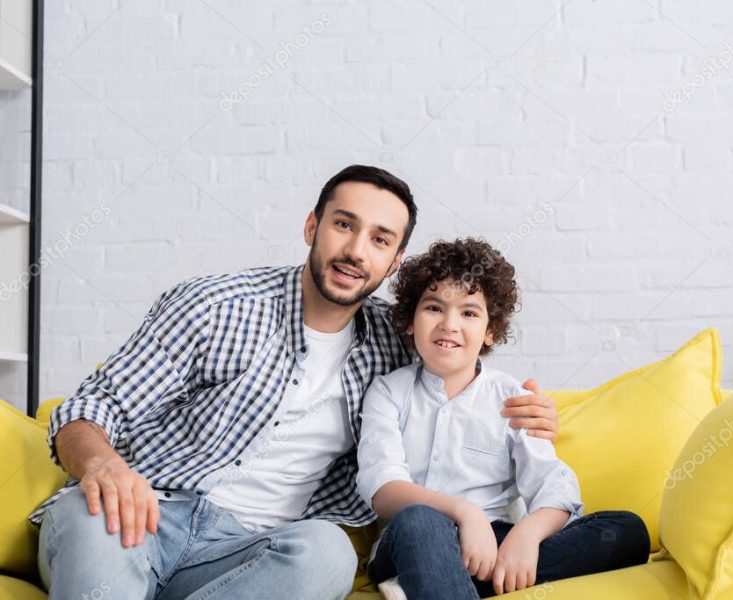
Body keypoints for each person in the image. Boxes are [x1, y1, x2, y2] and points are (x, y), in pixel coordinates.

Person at [32, 165, 561, 600]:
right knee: (90, 514)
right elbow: (91, 406)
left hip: (252, 554)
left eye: (379, 239)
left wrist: (531, 410)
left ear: (394, 262)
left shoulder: (397, 339)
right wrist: (102, 464)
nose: (356, 250)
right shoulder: (215, 306)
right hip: (142, 515)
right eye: (343, 225)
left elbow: (463, 363)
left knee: (326, 554)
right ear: (312, 227)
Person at [356, 238, 651, 600]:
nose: (450, 324)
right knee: (420, 520)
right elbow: (383, 489)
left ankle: (432, 585)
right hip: (409, 542)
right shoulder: (387, 392)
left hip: (496, 543)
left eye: (469, 313)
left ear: (490, 331)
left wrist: (526, 535)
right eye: (434, 307)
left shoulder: (514, 400)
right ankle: (434, 575)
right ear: (409, 321)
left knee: (626, 529)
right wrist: (465, 514)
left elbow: (554, 488)